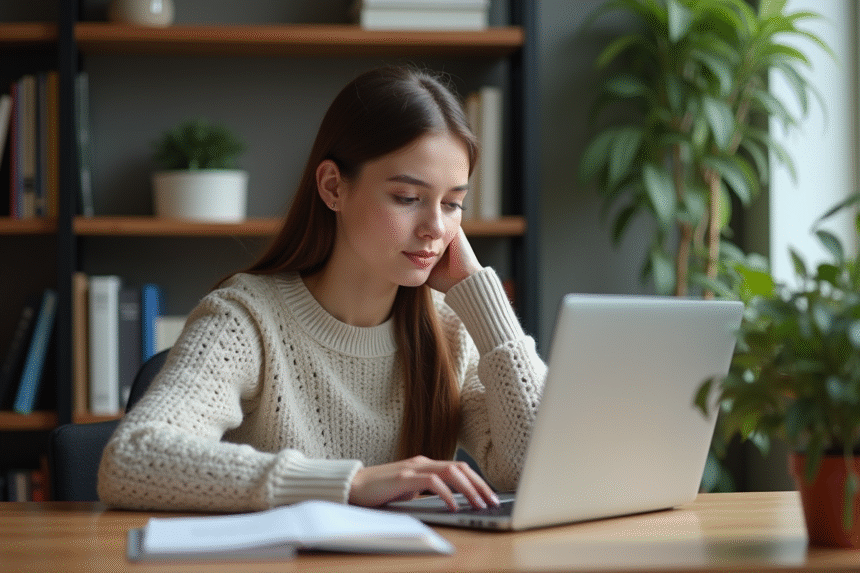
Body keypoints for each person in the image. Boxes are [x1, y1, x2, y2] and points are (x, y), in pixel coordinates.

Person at [98, 66, 547, 513]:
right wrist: (349, 483)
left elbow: (536, 469)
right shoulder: (246, 319)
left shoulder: (450, 326)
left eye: (452, 204)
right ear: (333, 187)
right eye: (408, 198)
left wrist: (482, 302)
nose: (435, 228)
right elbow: (132, 459)